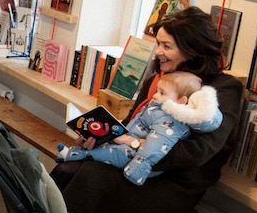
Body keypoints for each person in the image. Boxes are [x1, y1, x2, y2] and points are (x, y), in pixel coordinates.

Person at [0, 6, 243, 213]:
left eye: (167, 46)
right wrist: (103, 138)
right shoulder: (162, 78)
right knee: (67, 168)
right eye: (158, 44)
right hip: (131, 164)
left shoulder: (222, 90)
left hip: (172, 183)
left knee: (89, 178)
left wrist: (135, 146)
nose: (157, 53)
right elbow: (133, 126)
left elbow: (198, 153)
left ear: (192, 48)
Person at [57, 71, 222, 185]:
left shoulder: (171, 121)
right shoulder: (159, 108)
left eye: (162, 93)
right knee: (71, 169)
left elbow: (155, 146)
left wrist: (136, 168)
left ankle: (76, 155)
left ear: (181, 102)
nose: (155, 96)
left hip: (138, 163)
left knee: (86, 168)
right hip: (129, 151)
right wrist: (107, 137)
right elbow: (133, 125)